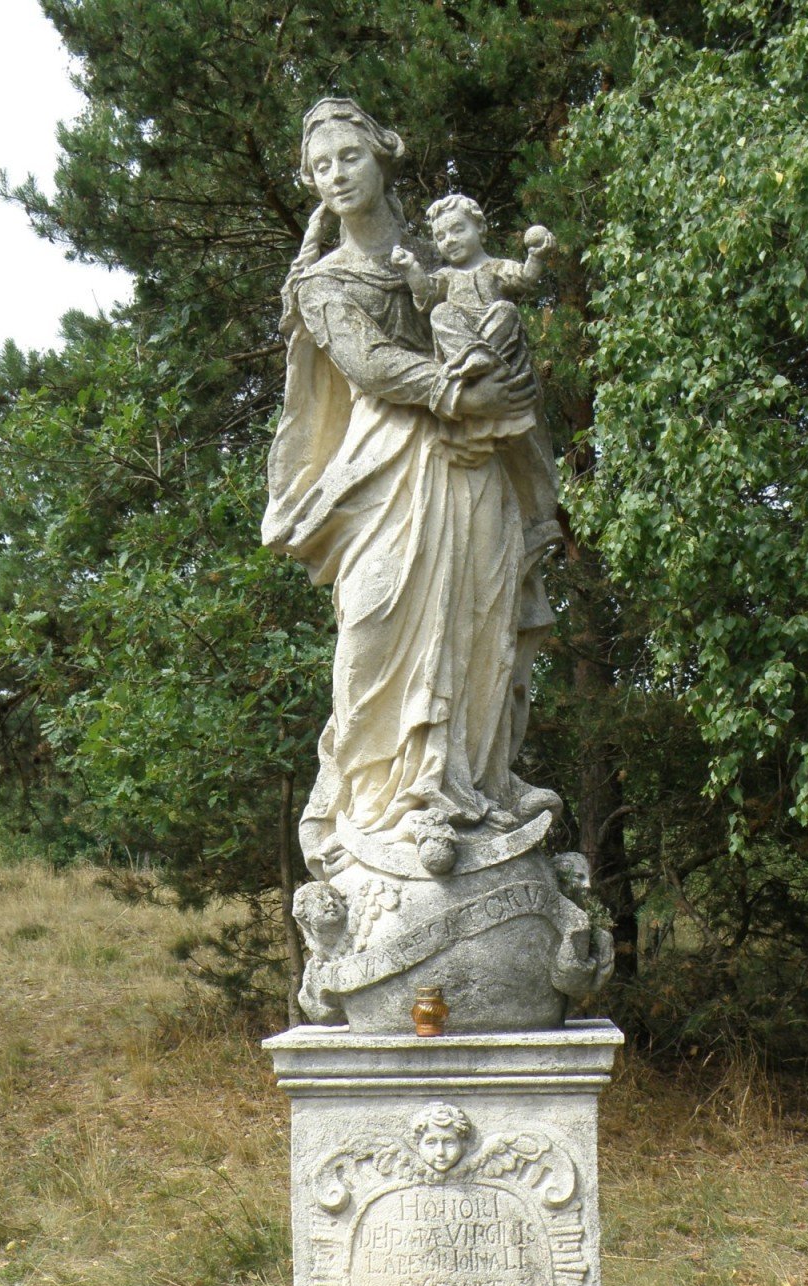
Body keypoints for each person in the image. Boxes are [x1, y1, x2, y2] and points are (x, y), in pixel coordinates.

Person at [261, 99, 562, 881]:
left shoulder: (448, 254)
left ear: (382, 158)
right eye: (321, 167)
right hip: (386, 462)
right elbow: (366, 365)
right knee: (374, 621)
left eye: (349, 158)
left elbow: (501, 315)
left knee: (477, 612)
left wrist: (500, 362)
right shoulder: (323, 283)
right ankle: (374, 804)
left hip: (472, 459)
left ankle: (473, 786)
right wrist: (453, 392)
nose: (337, 176)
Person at [390, 194, 555, 438]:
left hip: (493, 333)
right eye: (440, 236)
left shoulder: (496, 267)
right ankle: (473, 357)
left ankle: (486, 357)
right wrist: (411, 269)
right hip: (462, 340)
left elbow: (526, 278)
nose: (450, 240)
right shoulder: (447, 275)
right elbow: (425, 297)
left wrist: (537, 255)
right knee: (441, 312)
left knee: (506, 311)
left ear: (478, 226)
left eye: (457, 229)